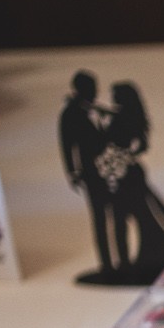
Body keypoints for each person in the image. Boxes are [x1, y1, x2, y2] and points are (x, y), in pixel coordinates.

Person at [99, 82, 164, 279]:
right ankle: (130, 260)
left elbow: (110, 140)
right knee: (143, 216)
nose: (112, 98)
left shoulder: (122, 119)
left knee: (128, 218)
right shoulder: (132, 116)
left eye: (115, 95)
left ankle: (128, 262)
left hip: (126, 175)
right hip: (130, 171)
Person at [59, 72, 115, 278]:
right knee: (101, 218)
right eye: (92, 88)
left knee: (113, 216)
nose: (96, 92)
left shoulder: (92, 110)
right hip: (91, 172)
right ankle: (108, 265)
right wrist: (73, 173)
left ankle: (117, 262)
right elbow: (67, 145)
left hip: (108, 170)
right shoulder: (71, 113)